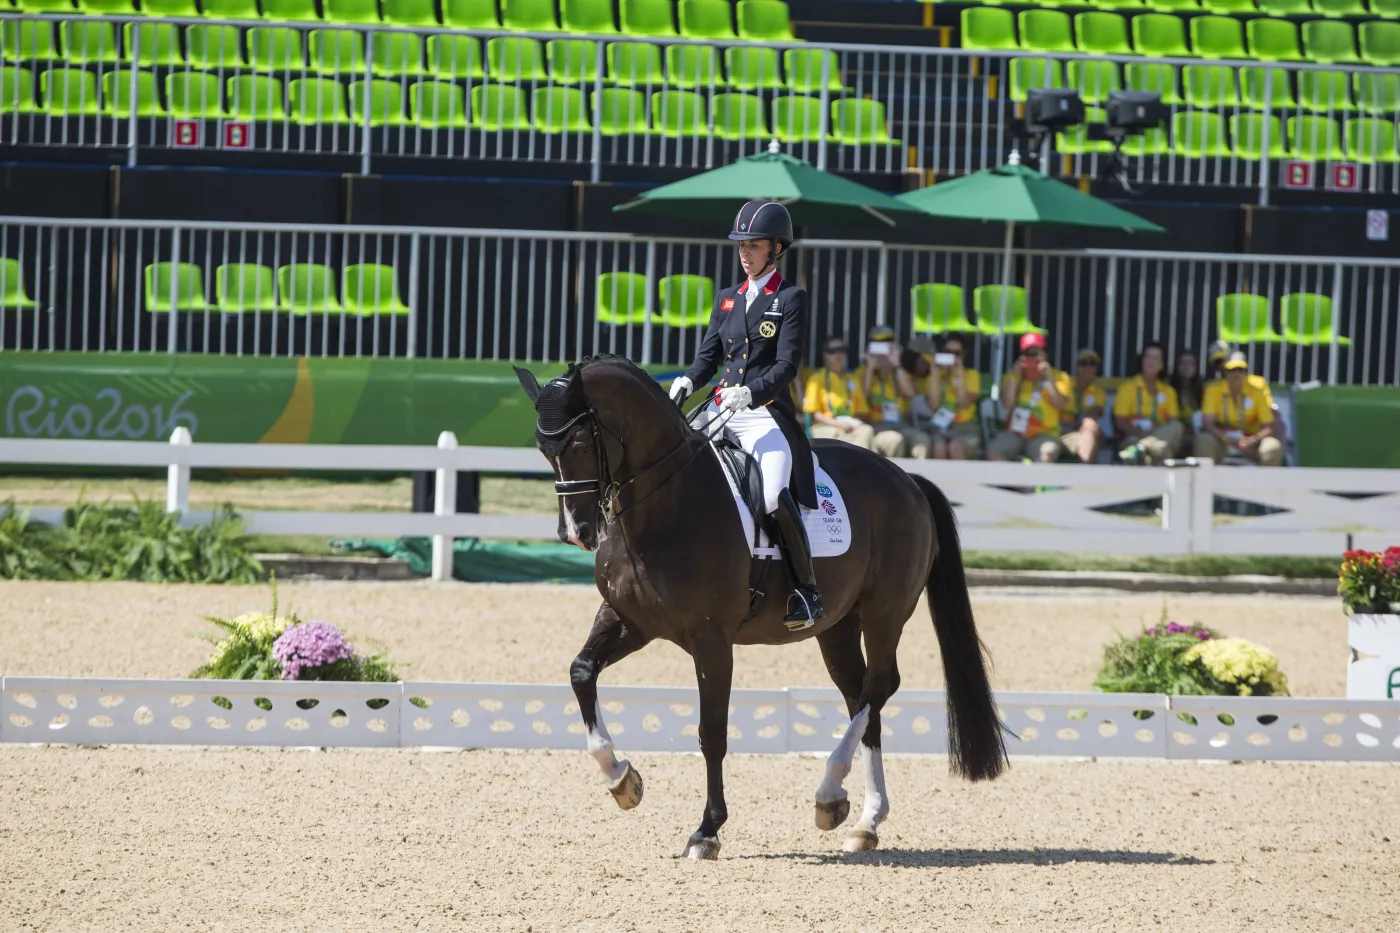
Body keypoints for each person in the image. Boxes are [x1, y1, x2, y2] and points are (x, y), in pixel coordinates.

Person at [668, 200, 823, 625]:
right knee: (668, 465)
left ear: (776, 248)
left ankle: (806, 590)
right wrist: (687, 380)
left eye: (753, 246)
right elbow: (708, 358)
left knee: (773, 494)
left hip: (763, 413)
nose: (745, 254)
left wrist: (750, 393)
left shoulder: (790, 298)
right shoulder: (727, 298)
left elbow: (785, 366)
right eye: (741, 246)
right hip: (719, 407)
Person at [987, 333, 1071, 463]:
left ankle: (1038, 483)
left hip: (1045, 433)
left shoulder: (1060, 377)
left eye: (1036, 353)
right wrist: (1015, 377)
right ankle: (1014, 482)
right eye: (1028, 354)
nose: (1032, 358)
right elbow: (1006, 406)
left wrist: (1049, 378)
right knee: (993, 452)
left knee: (1046, 455)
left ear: (1045, 354)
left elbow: (1060, 405)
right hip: (1015, 432)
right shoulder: (1013, 376)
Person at [1193, 352, 1285, 466]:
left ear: (1246, 373)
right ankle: (1204, 482)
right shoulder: (1213, 389)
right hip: (1222, 440)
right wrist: (1228, 439)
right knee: (1203, 441)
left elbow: (1268, 426)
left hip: (1252, 441)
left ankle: (1265, 483)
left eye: (1241, 370)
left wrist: (1253, 440)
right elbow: (1208, 423)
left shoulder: (1257, 391)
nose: (1236, 374)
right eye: (1232, 370)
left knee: (1272, 447)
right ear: (1225, 372)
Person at [856, 326, 931, 459]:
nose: (883, 347)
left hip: (900, 424)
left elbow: (910, 394)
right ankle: (893, 479)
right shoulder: (862, 372)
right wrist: (871, 367)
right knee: (894, 440)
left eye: (887, 342)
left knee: (921, 439)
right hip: (875, 425)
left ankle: (915, 479)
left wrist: (896, 364)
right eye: (878, 343)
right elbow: (861, 398)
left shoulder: (900, 372)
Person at [1204, 339, 1287, 449]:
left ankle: (1280, 459)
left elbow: (1270, 410)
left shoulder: (1257, 384)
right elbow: (1208, 421)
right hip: (1224, 435)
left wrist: (1255, 438)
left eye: (1223, 360)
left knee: (1276, 421)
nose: (1221, 366)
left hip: (1253, 433)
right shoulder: (1212, 387)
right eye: (1217, 362)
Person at [1113, 341, 1184, 465]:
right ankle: (1144, 447)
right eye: (1148, 357)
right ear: (1142, 361)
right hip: (1133, 437)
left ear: (1162, 365)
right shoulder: (1127, 387)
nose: (1151, 361)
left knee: (1177, 427)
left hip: (1160, 437)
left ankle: (1143, 447)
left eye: (1156, 358)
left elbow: (1172, 422)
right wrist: (1139, 434)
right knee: (1163, 450)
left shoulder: (1168, 391)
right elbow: (1120, 421)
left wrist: (1154, 434)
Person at [804, 336, 877, 450]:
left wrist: (853, 423)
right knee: (844, 439)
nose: (838, 354)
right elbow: (815, 415)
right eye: (832, 351)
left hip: (850, 425)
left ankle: (858, 465)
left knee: (867, 431)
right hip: (826, 426)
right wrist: (839, 425)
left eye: (841, 350)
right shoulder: (816, 379)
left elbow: (861, 411)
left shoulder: (853, 379)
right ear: (824, 355)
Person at [921, 334, 982, 460]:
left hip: (965, 427)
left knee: (955, 447)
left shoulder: (971, 375)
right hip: (940, 426)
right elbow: (933, 405)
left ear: (963, 354)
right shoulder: (935, 377)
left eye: (956, 353)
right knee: (939, 447)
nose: (952, 357)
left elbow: (963, 403)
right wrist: (935, 375)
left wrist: (959, 375)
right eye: (948, 352)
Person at [1060, 348, 1106, 465]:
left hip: (1084, 428)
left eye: (1092, 364)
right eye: (1083, 363)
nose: (1087, 367)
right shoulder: (1066, 384)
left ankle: (1084, 469)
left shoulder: (1098, 391)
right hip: (1063, 428)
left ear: (1096, 368)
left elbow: (1096, 412)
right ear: (1076, 366)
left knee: (1090, 426)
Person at [1172, 349, 1204, 452]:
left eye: (1190, 364)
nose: (1186, 367)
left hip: (1197, 433)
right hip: (1178, 432)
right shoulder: (1169, 389)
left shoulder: (1204, 389)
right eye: (1183, 363)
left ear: (1196, 367)